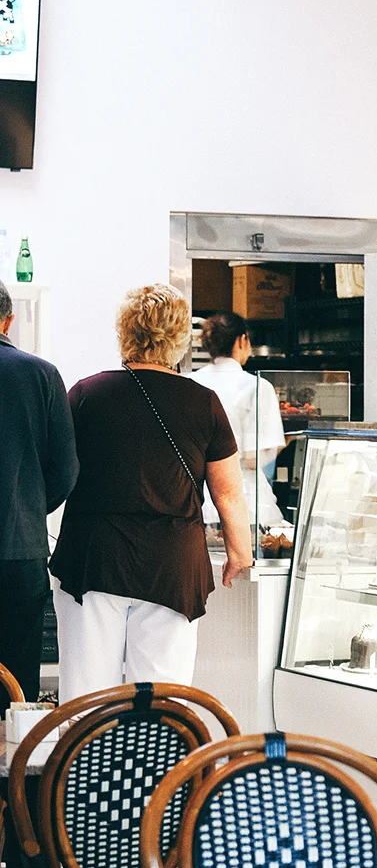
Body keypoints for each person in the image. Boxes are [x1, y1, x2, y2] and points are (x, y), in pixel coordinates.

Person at [49, 284, 253, 699]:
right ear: (179, 339)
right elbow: (228, 492)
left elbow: (59, 470)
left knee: (86, 693)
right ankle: (154, 746)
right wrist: (240, 551)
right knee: (162, 695)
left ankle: (88, 746)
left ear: (124, 332)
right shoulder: (204, 402)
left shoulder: (87, 394)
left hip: (95, 557)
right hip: (172, 563)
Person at [0, 278, 78, 709]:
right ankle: (15, 752)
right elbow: (65, 470)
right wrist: (28, 508)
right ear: (8, 320)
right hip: (20, 551)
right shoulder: (41, 375)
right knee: (18, 682)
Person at [192, 311, 288, 529]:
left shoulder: (191, 383)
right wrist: (286, 443)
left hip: (199, 503)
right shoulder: (257, 387)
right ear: (241, 340)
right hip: (245, 502)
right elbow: (255, 458)